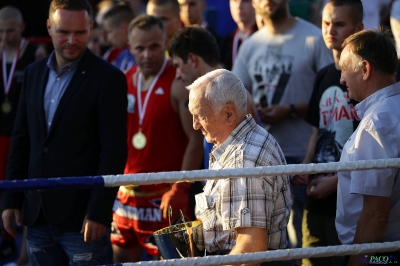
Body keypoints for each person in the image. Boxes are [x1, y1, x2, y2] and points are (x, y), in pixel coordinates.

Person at [1, 0, 128, 265]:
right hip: (36, 217)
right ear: (48, 27)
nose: (71, 40)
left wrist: (98, 212)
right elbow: (22, 139)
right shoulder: (33, 73)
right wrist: (10, 198)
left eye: (80, 32)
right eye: (63, 32)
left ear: (91, 28)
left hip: (83, 221)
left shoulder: (109, 78)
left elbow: (114, 150)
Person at [232, 0, 332, 250]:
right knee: (273, 247)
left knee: (309, 242)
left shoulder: (313, 37)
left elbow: (331, 93)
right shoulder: (251, 44)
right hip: (263, 161)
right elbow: (235, 96)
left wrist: (290, 110)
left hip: (306, 157)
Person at [111, 15, 204, 263]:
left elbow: (195, 142)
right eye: (139, 48)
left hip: (165, 196)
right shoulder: (122, 80)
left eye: (154, 46)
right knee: (122, 260)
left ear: (165, 42)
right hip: (126, 195)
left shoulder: (177, 83)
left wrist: (181, 187)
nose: (147, 54)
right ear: (130, 47)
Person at [188, 69, 291, 266]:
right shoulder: (238, 144)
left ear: (229, 113)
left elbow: (251, 249)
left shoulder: (243, 161)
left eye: (200, 115)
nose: (195, 125)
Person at [291, 1, 363, 265]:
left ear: (359, 28)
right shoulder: (322, 75)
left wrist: (335, 181)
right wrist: (307, 167)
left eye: (340, 24)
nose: (330, 30)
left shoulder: (364, 78)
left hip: (349, 202)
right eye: (326, 23)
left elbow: (372, 147)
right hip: (315, 199)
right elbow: (317, 130)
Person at [336, 28, 400, 266]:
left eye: (344, 69)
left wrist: (359, 261)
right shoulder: (385, 115)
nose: (341, 79)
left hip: (381, 257)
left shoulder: (376, 124)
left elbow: (376, 214)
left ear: (365, 69)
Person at [168, 26, 259, 167]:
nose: (178, 75)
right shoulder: (218, 95)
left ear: (193, 59)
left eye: (178, 66)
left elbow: (243, 167)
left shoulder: (234, 97)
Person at [0, 5, 46, 262]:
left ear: (21, 28)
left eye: (9, 30)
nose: (5, 36)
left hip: (24, 133)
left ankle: (22, 255)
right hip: (0, 135)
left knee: (28, 191)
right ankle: (5, 241)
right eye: (1, 31)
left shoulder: (35, 52)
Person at [220, 0, 258, 70]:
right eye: (235, 1)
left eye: (245, 1)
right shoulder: (226, 41)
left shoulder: (262, 39)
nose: (239, 6)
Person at [102, 3, 136, 71]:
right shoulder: (112, 53)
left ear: (123, 29)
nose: (108, 38)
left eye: (109, 32)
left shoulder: (139, 53)